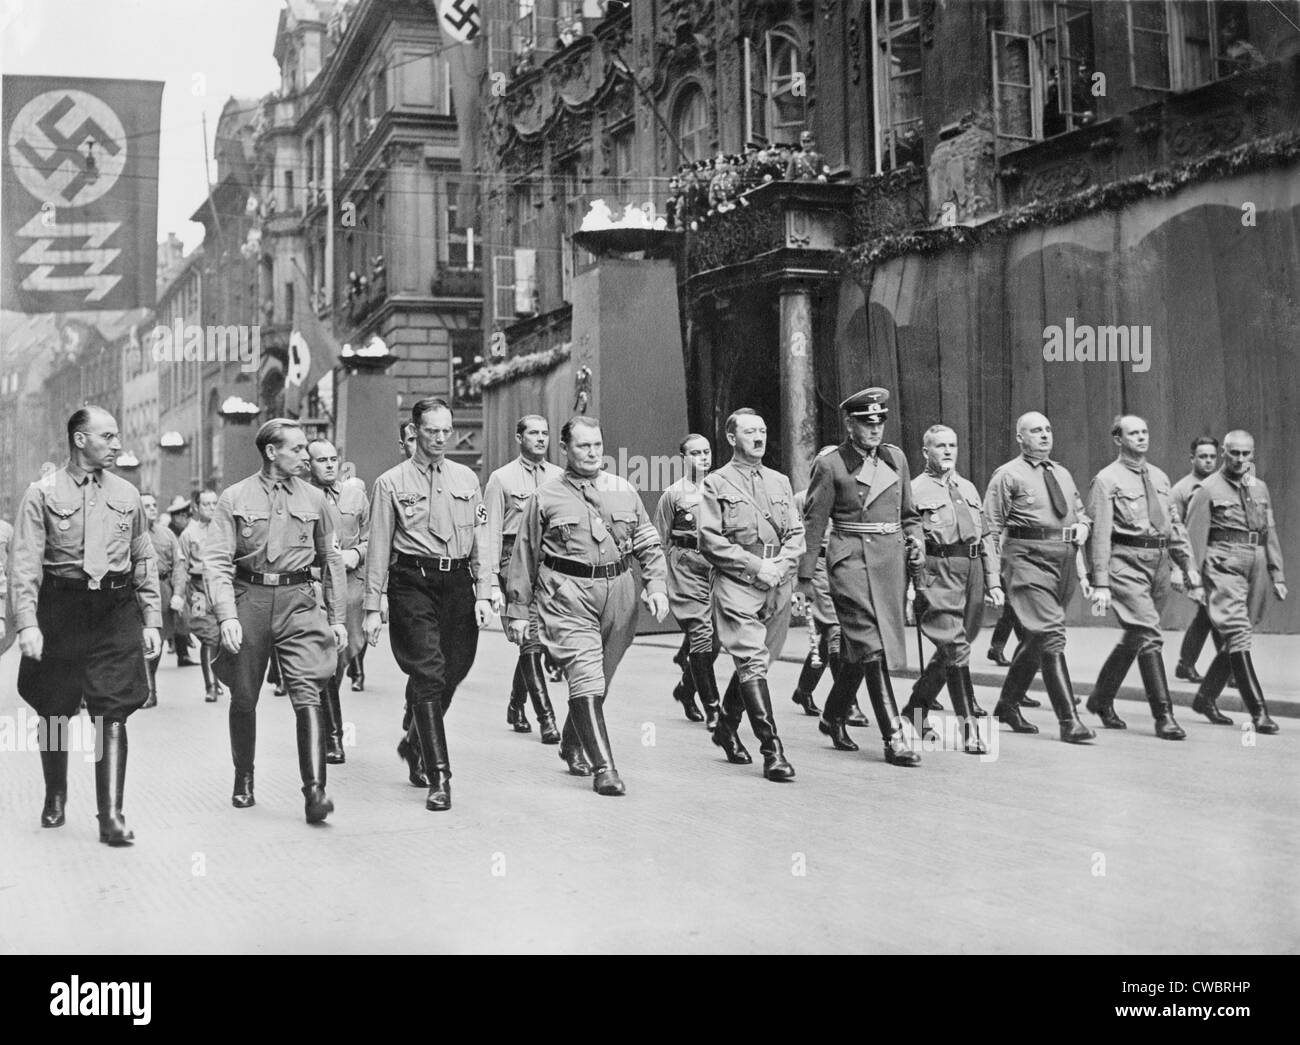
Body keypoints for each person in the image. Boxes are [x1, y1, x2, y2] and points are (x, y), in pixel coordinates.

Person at [11, 406, 162, 845]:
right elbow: (24, 564)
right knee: (55, 707)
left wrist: (151, 618)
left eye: (117, 437)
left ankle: (110, 814)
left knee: (112, 709)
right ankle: (55, 794)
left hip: (115, 609)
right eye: (108, 436)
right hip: (61, 608)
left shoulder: (128, 494)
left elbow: (143, 557)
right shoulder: (41, 493)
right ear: (80, 440)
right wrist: (27, 624)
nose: (117, 444)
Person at [506, 415, 669, 796]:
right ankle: (605, 769)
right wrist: (517, 612)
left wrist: (657, 584)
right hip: (566, 593)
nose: (593, 452)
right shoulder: (545, 496)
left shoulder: (623, 489)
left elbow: (646, 540)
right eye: (583, 446)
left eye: (597, 444)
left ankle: (571, 739)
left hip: (619, 591)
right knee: (587, 675)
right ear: (565, 449)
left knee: (602, 678)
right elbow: (525, 555)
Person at [202, 418, 347, 823]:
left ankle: (315, 792)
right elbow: (215, 561)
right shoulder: (234, 498)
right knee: (244, 695)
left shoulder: (316, 500)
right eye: (298, 449)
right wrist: (227, 614)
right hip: (249, 599)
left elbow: (330, 558)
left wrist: (336, 618)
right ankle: (243, 777)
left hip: (299, 602)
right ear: (271, 452)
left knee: (309, 692)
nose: (307, 456)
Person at [364, 399, 494, 811]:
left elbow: (481, 539)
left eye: (446, 431)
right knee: (429, 670)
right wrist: (372, 607)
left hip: (457, 582)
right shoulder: (390, 483)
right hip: (411, 582)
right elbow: (378, 548)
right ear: (414, 431)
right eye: (432, 431)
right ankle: (439, 776)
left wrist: (486, 593)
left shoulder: (467, 479)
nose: (440, 439)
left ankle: (413, 742)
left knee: (456, 666)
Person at [799, 388, 925, 767]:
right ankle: (894, 736)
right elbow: (814, 522)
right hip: (849, 560)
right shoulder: (832, 464)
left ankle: (833, 714)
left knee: (859, 652)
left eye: (879, 422)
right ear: (849, 425)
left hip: (889, 563)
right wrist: (805, 580)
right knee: (873, 648)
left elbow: (909, 514)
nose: (875, 430)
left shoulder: (896, 459)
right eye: (866, 423)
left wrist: (915, 540)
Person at [700, 408, 805, 782]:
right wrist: (756, 566)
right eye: (749, 432)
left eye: (762, 431)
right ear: (732, 438)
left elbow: (796, 534)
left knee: (759, 661)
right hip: (737, 581)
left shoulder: (779, 481)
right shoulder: (715, 484)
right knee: (751, 659)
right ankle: (771, 750)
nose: (759, 438)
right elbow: (709, 541)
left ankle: (726, 726)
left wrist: (780, 567)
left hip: (778, 581)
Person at [983, 411, 1095, 743]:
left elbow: (1080, 513)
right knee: (1050, 633)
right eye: (1035, 431)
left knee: (1035, 637)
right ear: (1020, 438)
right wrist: (992, 579)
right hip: (1027, 560)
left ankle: (1007, 704)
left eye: (1048, 429)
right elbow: (990, 529)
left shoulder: (1062, 473)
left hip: (1063, 563)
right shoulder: (1007, 475)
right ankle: (1069, 721)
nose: (1044, 435)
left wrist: (1085, 528)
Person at [1085, 415, 1198, 740]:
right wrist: (1102, 582)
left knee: (1138, 634)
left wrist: (1186, 563)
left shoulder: (1160, 478)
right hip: (1126, 565)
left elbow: (1173, 525)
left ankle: (1100, 699)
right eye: (1133, 433)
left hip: (1158, 565)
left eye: (1144, 431)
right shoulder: (1106, 480)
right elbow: (1101, 534)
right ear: (1118, 439)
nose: (1141, 437)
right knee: (1148, 634)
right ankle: (1164, 716)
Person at [899, 425, 1002, 753]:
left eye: (952, 445)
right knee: (956, 646)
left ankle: (914, 711)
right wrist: (912, 588)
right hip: (937, 570)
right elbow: (908, 544)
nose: (947, 451)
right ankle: (970, 729)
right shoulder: (914, 491)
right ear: (925, 452)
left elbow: (985, 536)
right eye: (939, 446)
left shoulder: (968, 488)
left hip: (970, 571)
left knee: (956, 646)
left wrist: (993, 580)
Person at [1184, 430, 1286, 732]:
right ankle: (1259, 712)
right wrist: (1195, 582)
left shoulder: (1259, 488)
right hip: (1222, 564)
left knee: (1240, 633)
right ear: (1224, 453)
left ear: (1252, 454)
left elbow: (1269, 533)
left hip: (1254, 565)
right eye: (1234, 453)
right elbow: (1193, 539)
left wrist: (1276, 572)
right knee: (1239, 633)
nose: (1240, 459)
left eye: (1246, 453)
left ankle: (1205, 698)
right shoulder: (1207, 489)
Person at [483, 414, 564, 741]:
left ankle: (516, 704)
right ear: (519, 438)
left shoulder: (560, 477)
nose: (541, 439)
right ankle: (547, 718)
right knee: (530, 638)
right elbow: (488, 533)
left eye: (545, 433)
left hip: (550, 564)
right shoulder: (501, 479)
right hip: (512, 563)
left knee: (539, 641)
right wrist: (489, 583)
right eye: (533, 433)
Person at [788, 447, 872, 727]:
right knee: (835, 632)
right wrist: (801, 579)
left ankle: (803, 690)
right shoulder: (800, 499)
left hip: (844, 567)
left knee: (830, 638)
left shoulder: (852, 495)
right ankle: (848, 705)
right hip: (818, 567)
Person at [653, 433, 724, 729]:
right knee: (701, 634)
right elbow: (659, 538)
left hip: (716, 567)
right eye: (696, 453)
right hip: (686, 566)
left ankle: (686, 689)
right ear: (683, 459)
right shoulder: (673, 494)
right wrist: (658, 581)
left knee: (716, 641)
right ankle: (714, 709)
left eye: (707, 452)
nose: (703, 458)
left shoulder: (722, 489)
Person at [307, 438, 369, 764]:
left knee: (344, 657)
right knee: (326, 661)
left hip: (353, 591)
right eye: (321, 460)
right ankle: (333, 737)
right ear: (309, 465)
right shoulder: (303, 498)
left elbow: (374, 539)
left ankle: (326, 720)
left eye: (333, 459)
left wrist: (355, 553)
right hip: (316, 589)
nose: (329, 465)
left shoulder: (356, 496)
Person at [1170, 435, 1223, 683]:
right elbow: (1175, 532)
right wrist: (1179, 569)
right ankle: (1229, 668)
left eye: (1213, 456)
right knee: (1214, 612)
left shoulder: (1224, 485)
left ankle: (1186, 664)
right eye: (1203, 456)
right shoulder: (1182, 489)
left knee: (1211, 614)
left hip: (1220, 560)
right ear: (1192, 458)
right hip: (1196, 561)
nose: (1209, 461)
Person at [173, 488, 224, 703]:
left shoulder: (224, 529)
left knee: (221, 635)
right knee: (208, 634)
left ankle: (217, 677)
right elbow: (182, 566)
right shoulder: (188, 534)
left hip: (221, 586)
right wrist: (179, 594)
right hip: (198, 589)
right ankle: (210, 686)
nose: (211, 508)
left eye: (214, 503)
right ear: (196, 507)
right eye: (206, 504)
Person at [140, 492, 178, 708]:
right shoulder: (131, 534)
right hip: (138, 592)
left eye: (155, 505)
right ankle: (149, 691)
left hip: (163, 589)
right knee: (144, 641)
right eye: (147, 505)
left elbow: (178, 565)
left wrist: (179, 594)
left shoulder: (167, 535)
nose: (153, 509)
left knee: (159, 641)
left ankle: (149, 684)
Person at [165, 495, 197, 666]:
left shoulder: (188, 531)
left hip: (192, 580)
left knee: (194, 614)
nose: (181, 519)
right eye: (178, 516)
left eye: (183, 516)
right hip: (177, 580)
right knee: (180, 615)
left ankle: (192, 643)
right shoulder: (171, 532)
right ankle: (181, 651)